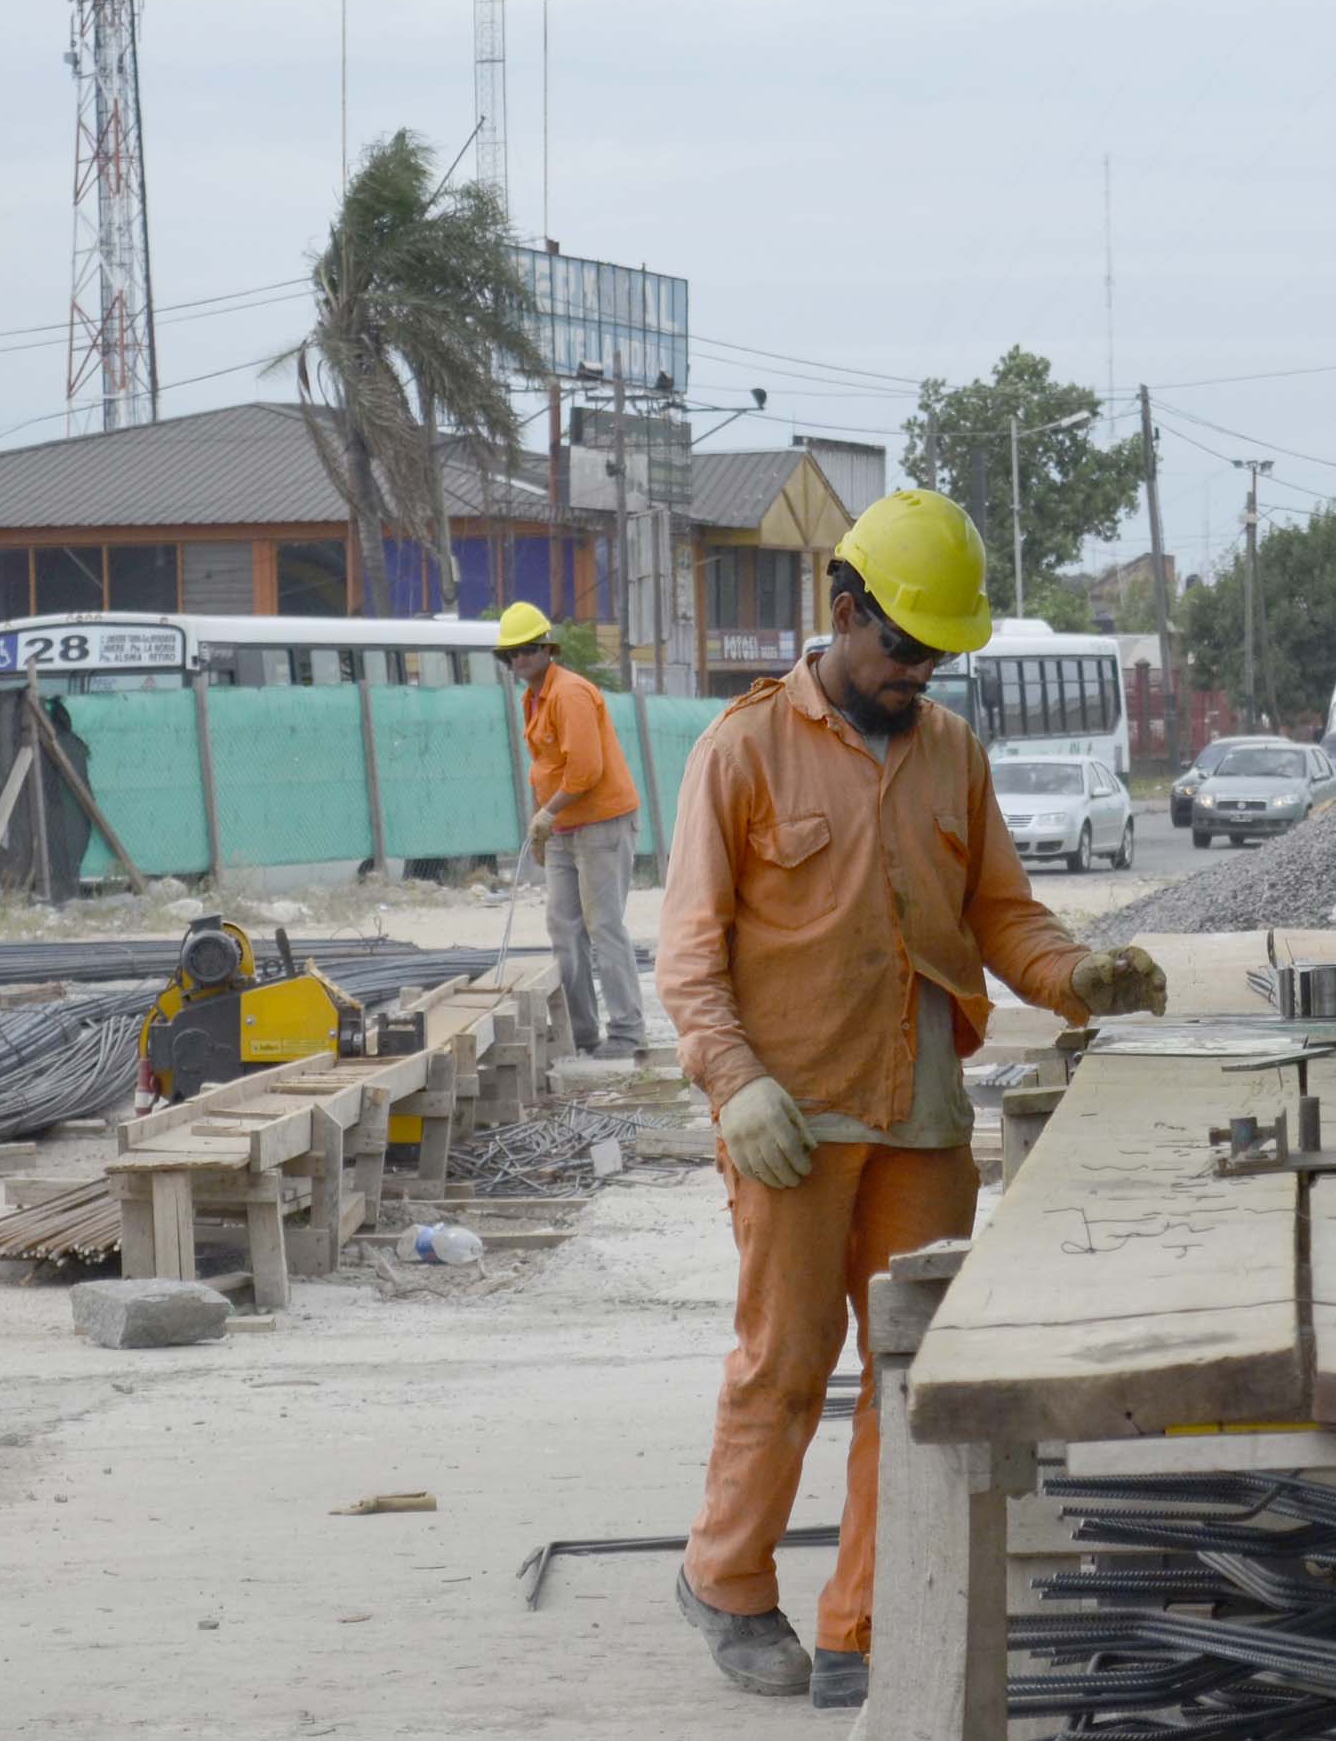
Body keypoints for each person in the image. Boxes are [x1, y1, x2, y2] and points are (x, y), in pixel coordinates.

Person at [657, 488, 1169, 1709]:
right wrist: (734, 1085)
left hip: (923, 1114)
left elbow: (999, 914)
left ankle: (866, 1620)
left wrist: (1077, 973)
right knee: (786, 1365)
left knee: (915, 1372)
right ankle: (727, 1582)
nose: (916, 671)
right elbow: (686, 952)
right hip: (791, 1120)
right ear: (844, 613)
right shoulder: (740, 750)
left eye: (934, 652)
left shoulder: (952, 755)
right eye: (899, 647)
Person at [496, 601, 644, 1060]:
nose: (519, 660)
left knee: (603, 927)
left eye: (527, 650)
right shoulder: (533, 699)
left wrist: (547, 814)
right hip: (563, 829)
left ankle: (627, 1033)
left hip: (601, 825)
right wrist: (543, 821)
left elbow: (585, 771)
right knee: (564, 930)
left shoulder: (570, 694)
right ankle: (583, 1036)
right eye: (510, 654)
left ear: (547, 649)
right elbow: (546, 768)